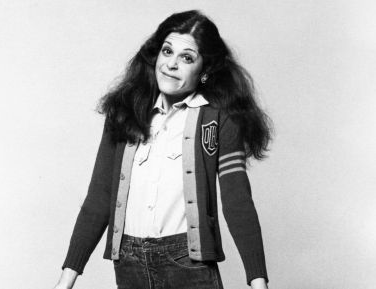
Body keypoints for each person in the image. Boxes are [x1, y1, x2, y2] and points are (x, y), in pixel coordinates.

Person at [53, 10, 272, 289]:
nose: (171, 64)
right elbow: (99, 197)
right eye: (167, 51)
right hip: (129, 263)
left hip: (187, 264)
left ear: (205, 71)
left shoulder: (218, 119)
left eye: (187, 57)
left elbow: (238, 202)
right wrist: (66, 279)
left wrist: (258, 281)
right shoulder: (125, 113)